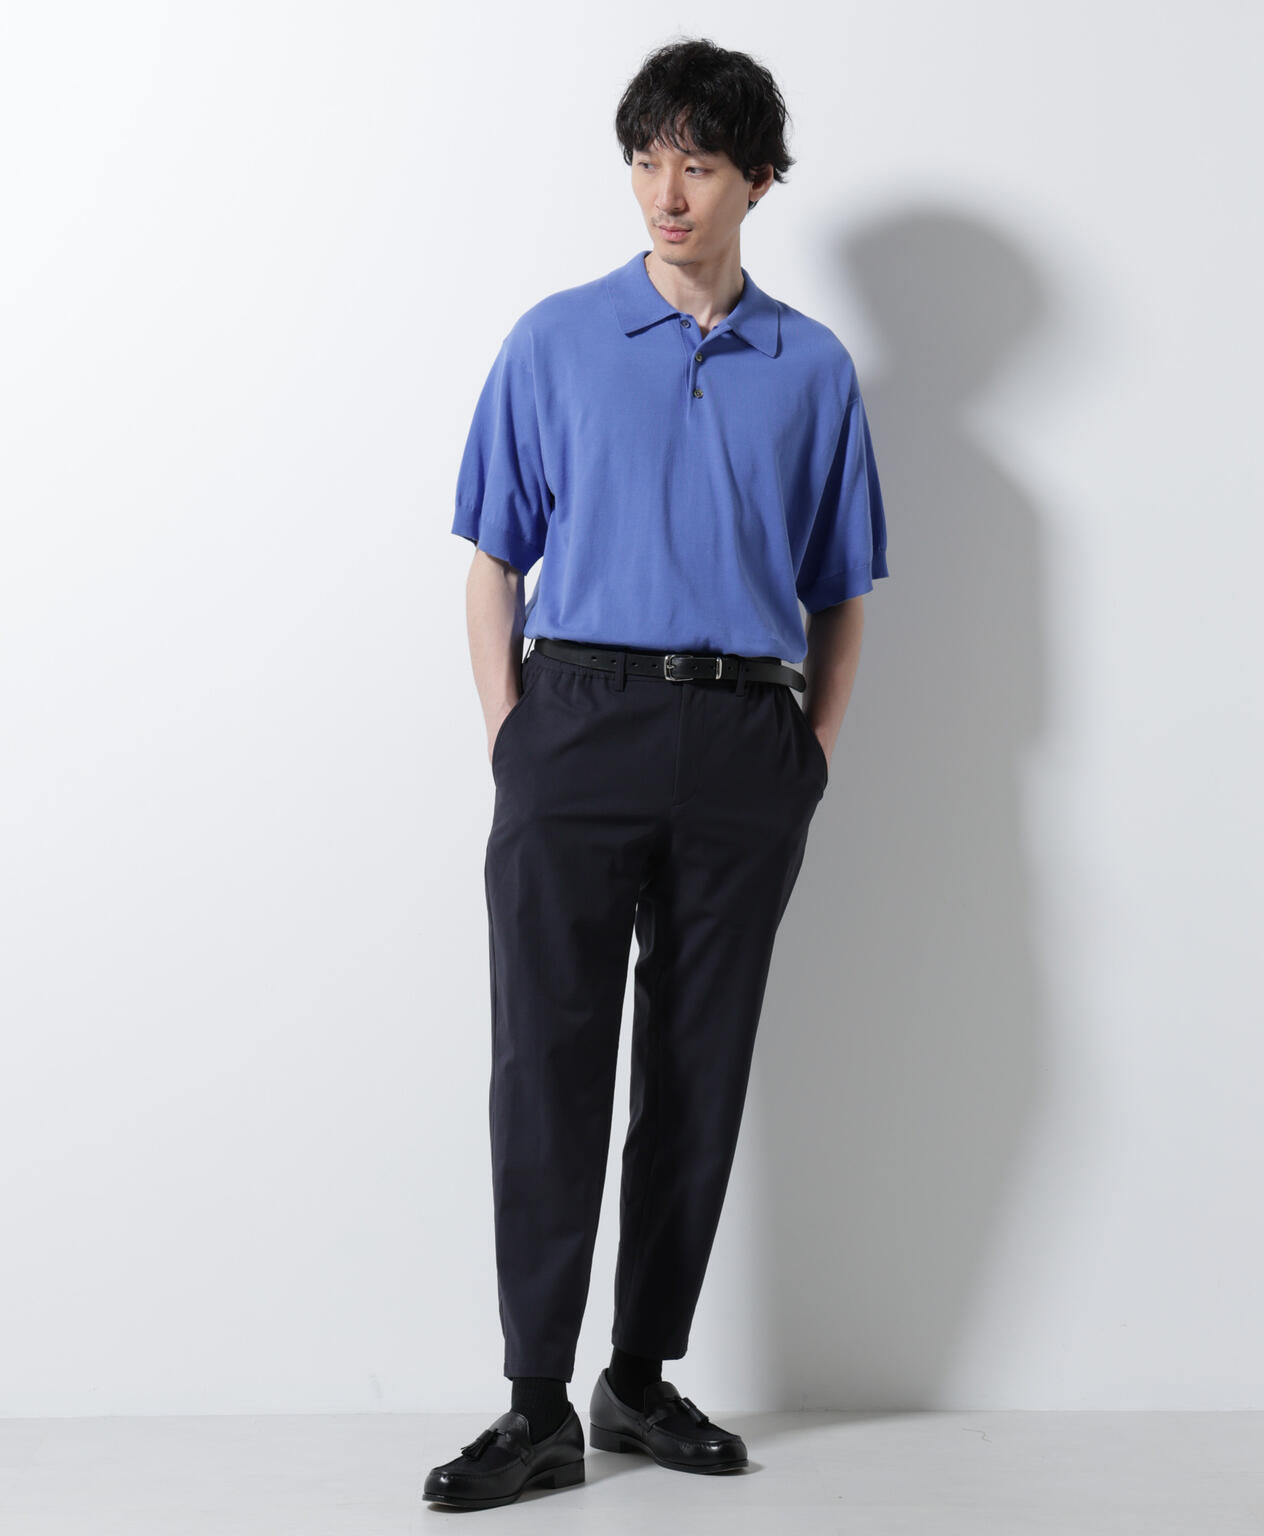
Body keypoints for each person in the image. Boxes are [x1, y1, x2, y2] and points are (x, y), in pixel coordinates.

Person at [423, 36, 889, 1511]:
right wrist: (513, 739)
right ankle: (533, 1403)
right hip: (574, 723)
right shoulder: (554, 340)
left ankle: (637, 1378)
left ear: (759, 179)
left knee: (698, 1068)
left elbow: (841, 592)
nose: (665, 191)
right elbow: (494, 559)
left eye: (697, 161)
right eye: (645, 159)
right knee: (545, 1063)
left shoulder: (814, 369)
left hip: (745, 741)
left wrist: (809, 756)